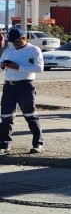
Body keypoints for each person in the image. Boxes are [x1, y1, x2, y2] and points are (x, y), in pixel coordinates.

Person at [0, 26, 45, 155]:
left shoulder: (34, 50)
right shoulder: (8, 51)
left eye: (17, 42)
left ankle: (38, 143)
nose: (15, 45)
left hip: (25, 86)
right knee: (6, 116)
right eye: (13, 42)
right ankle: (4, 144)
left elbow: (39, 68)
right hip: (9, 86)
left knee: (30, 115)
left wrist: (17, 67)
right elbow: (0, 68)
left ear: (24, 38)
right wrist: (3, 66)